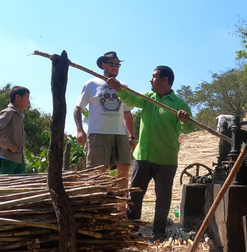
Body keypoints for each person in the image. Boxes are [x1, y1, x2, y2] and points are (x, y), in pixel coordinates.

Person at [108, 65, 195, 240]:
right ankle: (132, 230)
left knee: (163, 198)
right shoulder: (147, 98)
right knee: (135, 194)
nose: (150, 79)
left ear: (165, 80)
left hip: (166, 159)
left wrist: (185, 119)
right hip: (143, 157)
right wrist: (119, 90)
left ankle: (158, 232)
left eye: (153, 77)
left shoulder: (179, 104)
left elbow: (189, 128)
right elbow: (131, 100)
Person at [74, 51, 135, 183]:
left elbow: (127, 113)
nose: (115, 67)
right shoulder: (91, 84)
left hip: (120, 134)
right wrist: (79, 129)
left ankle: (121, 203)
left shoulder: (123, 87)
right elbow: (78, 108)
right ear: (103, 65)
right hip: (98, 133)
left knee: (124, 170)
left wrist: (132, 136)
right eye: (112, 64)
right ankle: (96, 202)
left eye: (118, 65)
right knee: (97, 172)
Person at [0, 85, 30, 174]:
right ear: (18, 97)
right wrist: (9, 145)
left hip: (20, 160)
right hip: (7, 160)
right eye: (27, 98)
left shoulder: (19, 115)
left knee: (20, 187)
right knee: (5, 187)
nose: (28, 102)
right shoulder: (9, 112)